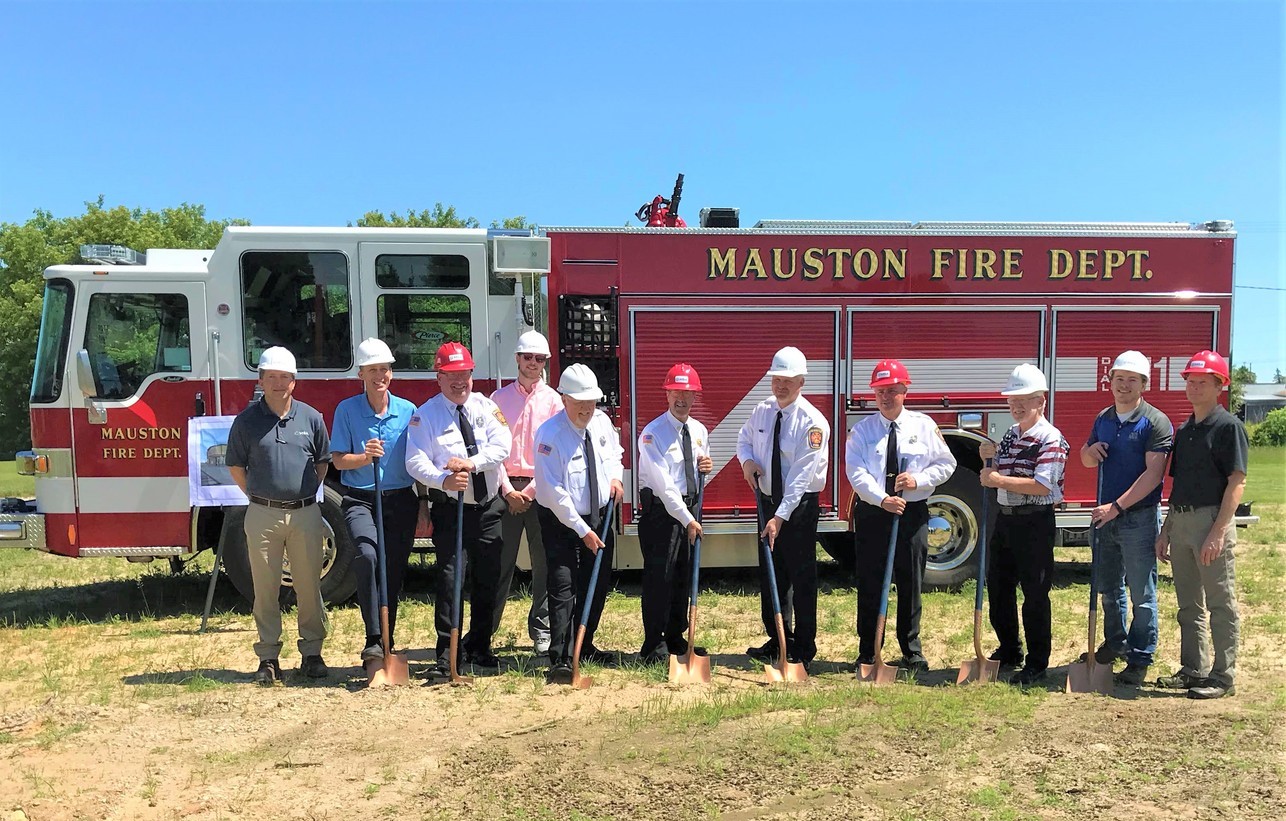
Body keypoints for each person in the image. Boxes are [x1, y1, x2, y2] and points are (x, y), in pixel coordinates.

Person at [225, 347, 332, 686]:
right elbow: (235, 467)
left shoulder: (311, 418)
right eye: (271, 377)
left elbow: (322, 463)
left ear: (294, 382)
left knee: (308, 586)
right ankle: (268, 657)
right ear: (260, 380)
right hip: (262, 515)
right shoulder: (246, 422)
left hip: (305, 514)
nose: (278, 383)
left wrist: (302, 494)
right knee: (265, 588)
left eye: (284, 377)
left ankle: (312, 653)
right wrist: (258, 499)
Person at [405, 342, 512, 676]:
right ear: (438, 377)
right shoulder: (426, 415)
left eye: (464, 373)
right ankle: (446, 653)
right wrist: (441, 480)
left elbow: (502, 446)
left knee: (488, 578)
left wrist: (471, 464)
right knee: (451, 579)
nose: (459, 381)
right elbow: (413, 460)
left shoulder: (486, 407)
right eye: (451, 375)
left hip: (488, 508)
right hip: (452, 511)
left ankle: (480, 647)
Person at [845, 360, 956, 676]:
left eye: (892, 390)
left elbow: (945, 464)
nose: (885, 396)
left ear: (905, 391)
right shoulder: (863, 430)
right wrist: (882, 499)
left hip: (911, 514)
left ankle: (911, 650)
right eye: (880, 391)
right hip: (874, 513)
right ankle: (868, 650)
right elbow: (855, 471)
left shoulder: (923, 426)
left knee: (910, 582)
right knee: (870, 582)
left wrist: (918, 480)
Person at [1155, 350, 1247, 700]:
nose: (1194, 388)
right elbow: (1176, 485)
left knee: (1220, 602)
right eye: (1190, 382)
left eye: (1202, 382)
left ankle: (1223, 675)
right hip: (1182, 520)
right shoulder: (1186, 429)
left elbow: (1236, 482)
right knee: (1188, 604)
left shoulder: (1228, 427)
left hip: (1211, 521)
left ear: (1220, 385)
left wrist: (1218, 532)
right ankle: (1193, 668)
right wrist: (1166, 530)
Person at [1080, 350, 1172, 686]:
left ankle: (1140, 656)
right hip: (1106, 519)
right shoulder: (1103, 418)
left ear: (1144, 384)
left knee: (1141, 594)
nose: (1124, 384)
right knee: (1108, 589)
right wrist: (1088, 453)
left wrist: (1116, 507)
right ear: (1110, 381)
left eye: (1132, 379)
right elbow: (1086, 458)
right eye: (1119, 378)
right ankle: (1115, 642)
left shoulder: (1155, 422)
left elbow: (1154, 475)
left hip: (1138, 519)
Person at [737, 346, 830, 671]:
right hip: (767, 503)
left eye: (788, 380)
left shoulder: (813, 423)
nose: (780, 385)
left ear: (801, 381)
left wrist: (780, 518)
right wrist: (747, 462)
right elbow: (743, 438)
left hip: (799, 507)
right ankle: (778, 639)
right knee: (770, 574)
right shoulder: (762, 411)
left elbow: (801, 478)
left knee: (801, 576)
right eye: (776, 378)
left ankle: (804, 645)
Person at [330, 338, 420, 669]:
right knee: (368, 555)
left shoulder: (408, 411)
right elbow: (338, 461)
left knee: (393, 569)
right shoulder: (347, 410)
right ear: (361, 374)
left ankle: (387, 639)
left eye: (384, 369)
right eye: (372, 370)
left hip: (400, 500)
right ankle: (372, 638)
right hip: (360, 499)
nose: (379, 375)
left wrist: (424, 500)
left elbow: (418, 459)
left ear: (391, 374)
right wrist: (364, 456)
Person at [533, 364, 624, 684]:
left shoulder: (601, 423)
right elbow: (552, 491)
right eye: (580, 401)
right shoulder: (549, 434)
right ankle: (560, 655)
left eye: (592, 401)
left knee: (596, 582)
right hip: (561, 522)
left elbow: (616, 454)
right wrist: (581, 530)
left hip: (599, 516)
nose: (587, 407)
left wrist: (616, 477)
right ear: (564, 399)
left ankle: (583, 644)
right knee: (562, 585)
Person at [979, 363, 1068, 687]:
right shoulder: (1011, 434)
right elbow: (998, 471)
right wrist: (989, 457)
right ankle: (1010, 649)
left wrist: (995, 477)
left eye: (1024, 400)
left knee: (1034, 594)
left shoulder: (1050, 438)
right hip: (1006, 519)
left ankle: (1037, 661)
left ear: (1040, 402)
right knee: (999, 587)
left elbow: (1043, 485)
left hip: (1034, 522)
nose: (1016, 406)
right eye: (1012, 400)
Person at [635, 363, 714, 663]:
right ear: (666, 395)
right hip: (662, 515)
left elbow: (693, 471)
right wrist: (688, 519)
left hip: (688, 511)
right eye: (676, 393)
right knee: (660, 578)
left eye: (687, 393)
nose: (681, 399)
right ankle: (653, 644)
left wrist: (705, 466)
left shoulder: (699, 431)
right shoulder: (652, 434)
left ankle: (676, 637)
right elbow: (665, 486)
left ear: (695, 397)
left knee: (683, 575)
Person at [491, 331, 563, 655]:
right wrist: (508, 490)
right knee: (498, 564)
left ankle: (542, 630)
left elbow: (556, 453)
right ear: (517, 359)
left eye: (540, 359)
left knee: (543, 563)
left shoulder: (555, 402)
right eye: (528, 357)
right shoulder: (496, 400)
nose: (533, 364)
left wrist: (530, 491)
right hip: (505, 489)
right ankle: (485, 630)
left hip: (540, 489)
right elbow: (492, 452)